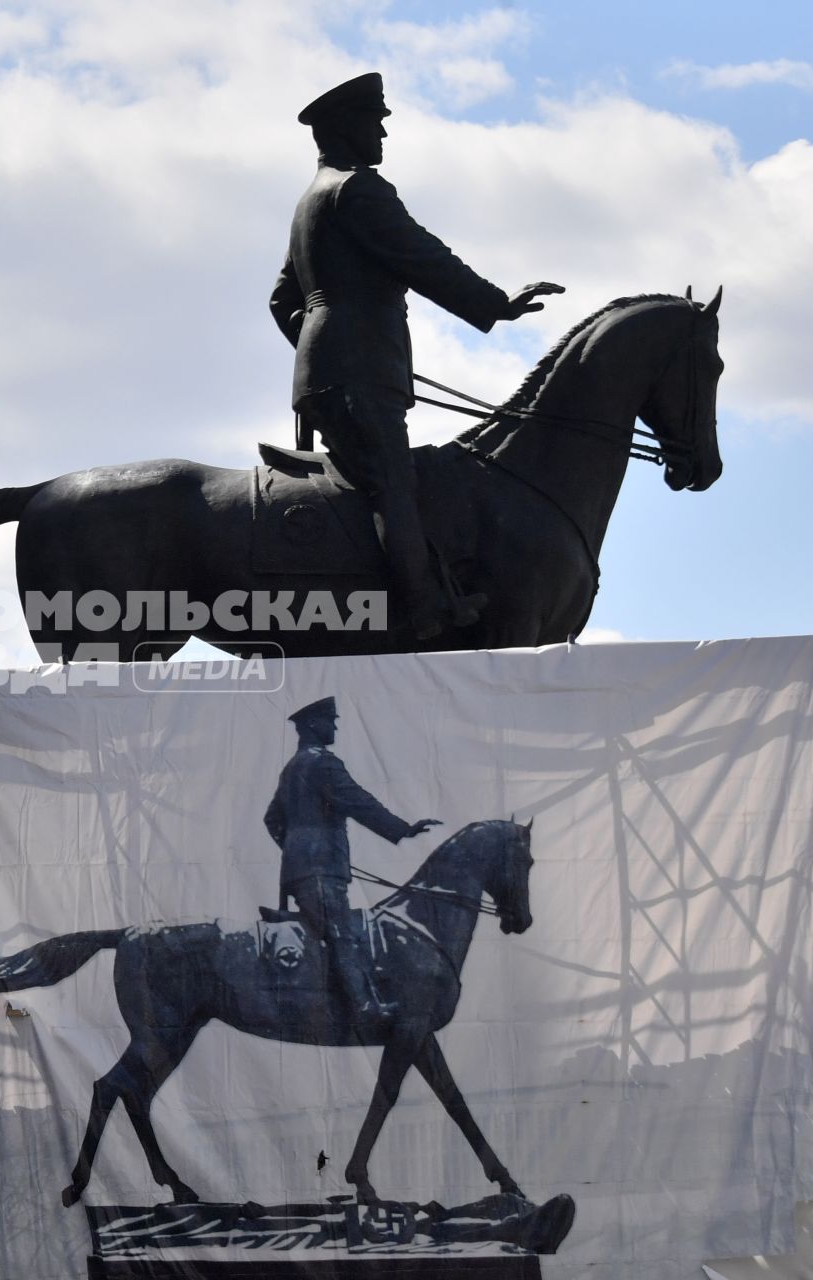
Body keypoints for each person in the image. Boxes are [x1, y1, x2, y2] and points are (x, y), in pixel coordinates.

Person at [270, 72, 563, 640]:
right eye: (374, 119)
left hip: (335, 371)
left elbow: (284, 298)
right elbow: (422, 257)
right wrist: (496, 304)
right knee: (394, 485)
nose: (383, 130)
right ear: (346, 127)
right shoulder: (357, 189)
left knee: (380, 481)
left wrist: (319, 355)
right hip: (360, 372)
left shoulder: (310, 201)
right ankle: (424, 609)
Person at [263, 696, 439, 1028]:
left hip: (304, 869)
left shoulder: (292, 768)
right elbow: (359, 802)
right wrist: (403, 828)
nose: (335, 727)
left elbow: (271, 819)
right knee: (342, 933)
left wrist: (295, 850)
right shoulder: (323, 764)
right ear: (314, 724)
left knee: (329, 932)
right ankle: (364, 1005)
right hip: (321, 869)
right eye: (331, 721)